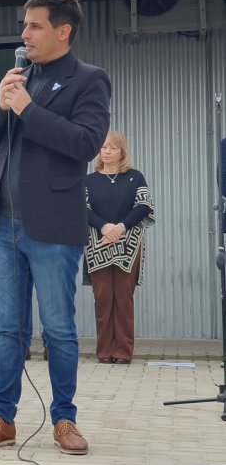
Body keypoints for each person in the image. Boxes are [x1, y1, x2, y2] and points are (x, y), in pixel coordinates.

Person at [0, 0, 110, 456]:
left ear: (63, 31)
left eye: (34, 26)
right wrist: (1, 105)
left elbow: (85, 143)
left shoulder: (88, 80)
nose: (24, 34)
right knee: (7, 328)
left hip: (52, 225)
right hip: (2, 226)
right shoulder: (17, 77)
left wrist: (28, 109)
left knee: (58, 330)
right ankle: (2, 418)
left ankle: (64, 419)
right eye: (24, 26)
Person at [84, 131, 155, 364]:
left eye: (113, 148)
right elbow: (82, 208)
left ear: (122, 152)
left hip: (128, 246)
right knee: (103, 298)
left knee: (124, 298)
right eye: (104, 147)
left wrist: (121, 227)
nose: (107, 152)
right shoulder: (89, 180)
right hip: (98, 244)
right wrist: (104, 227)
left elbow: (144, 205)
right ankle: (105, 351)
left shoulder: (135, 177)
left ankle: (123, 351)